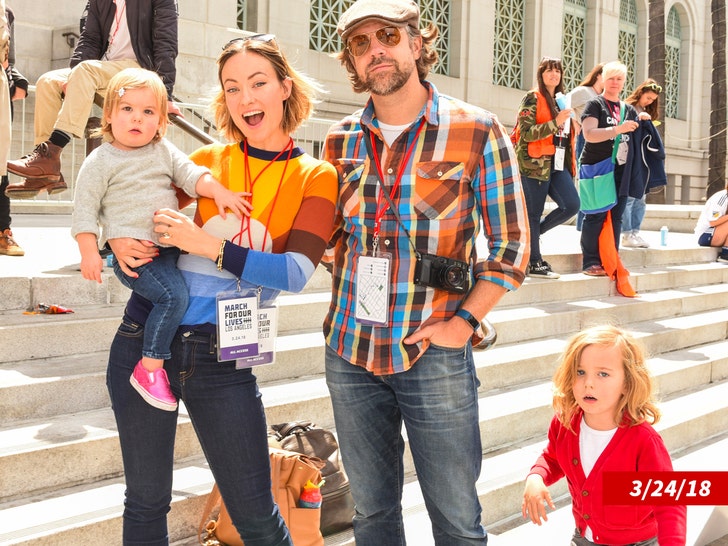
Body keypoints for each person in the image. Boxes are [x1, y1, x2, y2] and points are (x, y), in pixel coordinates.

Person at [104, 34, 337, 544]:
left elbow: (295, 273)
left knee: (255, 513)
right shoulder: (203, 160)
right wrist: (114, 238)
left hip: (223, 357)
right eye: (232, 88)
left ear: (284, 88)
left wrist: (208, 246)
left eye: (258, 83)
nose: (245, 98)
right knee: (144, 503)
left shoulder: (315, 174)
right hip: (146, 340)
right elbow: (118, 195)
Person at [322, 0, 530, 543]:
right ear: (352, 61)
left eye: (387, 36)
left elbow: (512, 246)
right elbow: (329, 240)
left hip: (433, 352)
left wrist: (462, 324)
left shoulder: (476, 130)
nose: (376, 51)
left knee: (458, 521)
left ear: (417, 43)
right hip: (349, 349)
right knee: (371, 517)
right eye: (361, 44)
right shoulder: (339, 140)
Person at [72, 67, 248, 412]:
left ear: (161, 121)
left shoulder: (163, 151)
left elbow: (193, 175)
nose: (137, 118)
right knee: (172, 297)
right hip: (137, 258)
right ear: (108, 115)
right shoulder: (100, 161)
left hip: (169, 250)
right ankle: (149, 367)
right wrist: (90, 252)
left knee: (179, 294)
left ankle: (162, 361)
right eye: (127, 109)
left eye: (148, 111)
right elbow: (84, 211)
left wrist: (220, 191)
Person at [522, 324, 687, 545]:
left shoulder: (643, 440)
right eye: (580, 372)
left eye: (603, 374)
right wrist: (536, 477)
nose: (588, 383)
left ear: (627, 384)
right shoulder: (564, 424)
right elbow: (552, 458)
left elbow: (669, 502)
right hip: (584, 538)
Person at [5, 0, 180, 198]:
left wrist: (164, 92)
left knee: (86, 70)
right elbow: (89, 39)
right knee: (48, 81)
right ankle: (44, 169)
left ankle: (52, 150)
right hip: (105, 68)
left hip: (139, 69)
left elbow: (166, 42)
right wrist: (74, 76)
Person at [579, 61, 647, 277]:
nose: (615, 82)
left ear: (624, 81)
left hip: (622, 169)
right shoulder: (595, 105)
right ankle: (590, 261)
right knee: (595, 214)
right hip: (597, 167)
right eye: (611, 78)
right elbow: (589, 134)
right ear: (603, 80)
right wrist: (618, 129)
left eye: (619, 79)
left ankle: (611, 257)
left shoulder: (628, 109)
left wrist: (642, 120)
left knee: (617, 216)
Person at [514, 56, 579, 279]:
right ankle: (535, 262)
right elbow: (527, 132)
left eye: (557, 71)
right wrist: (556, 122)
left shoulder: (561, 100)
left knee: (571, 205)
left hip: (558, 163)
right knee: (533, 213)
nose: (554, 74)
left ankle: (534, 234)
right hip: (534, 164)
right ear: (541, 74)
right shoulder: (532, 98)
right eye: (549, 70)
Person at [621, 79, 663, 249]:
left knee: (641, 198)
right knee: (630, 197)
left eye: (653, 99)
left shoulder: (647, 112)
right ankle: (626, 233)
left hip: (642, 160)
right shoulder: (627, 107)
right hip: (629, 158)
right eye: (648, 97)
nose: (649, 101)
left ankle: (635, 232)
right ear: (640, 93)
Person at [0, 3, 26, 255]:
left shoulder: (6, 13)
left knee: (0, 168)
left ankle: (2, 231)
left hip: (0, 98)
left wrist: (18, 79)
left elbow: (9, 62)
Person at [568, 62, 604, 232]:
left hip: (601, 142)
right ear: (598, 75)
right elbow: (561, 103)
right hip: (585, 139)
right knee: (586, 182)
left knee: (595, 183)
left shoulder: (604, 97)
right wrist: (574, 122)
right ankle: (582, 226)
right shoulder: (584, 92)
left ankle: (588, 225)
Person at [694, 182, 728, 262]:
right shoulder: (722, 197)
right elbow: (713, 222)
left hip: (717, 234)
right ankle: (726, 254)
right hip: (705, 235)